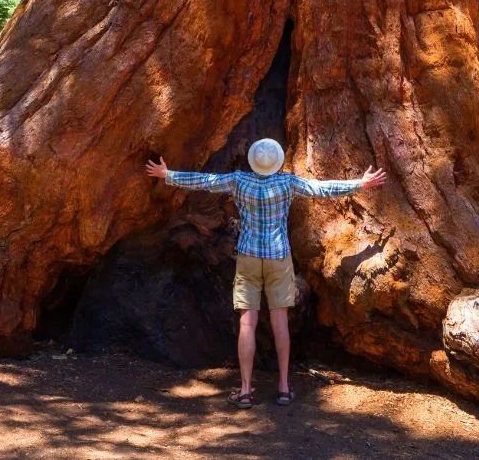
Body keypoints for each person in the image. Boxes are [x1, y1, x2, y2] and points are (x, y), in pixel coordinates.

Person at [145, 138, 387, 409]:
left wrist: (168, 175)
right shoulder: (287, 183)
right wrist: (360, 184)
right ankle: (283, 387)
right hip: (278, 257)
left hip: (248, 257)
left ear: (253, 161)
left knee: (247, 323)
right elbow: (321, 188)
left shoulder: (239, 181)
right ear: (277, 162)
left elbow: (206, 181)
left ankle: (245, 390)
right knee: (279, 321)